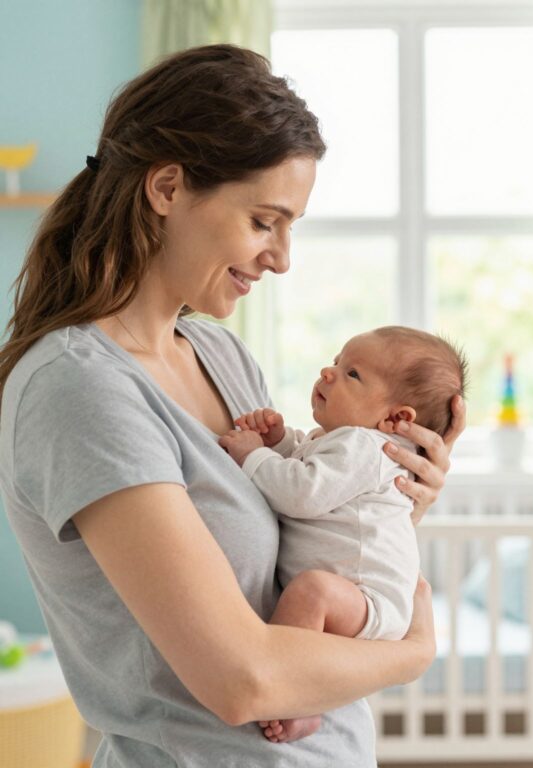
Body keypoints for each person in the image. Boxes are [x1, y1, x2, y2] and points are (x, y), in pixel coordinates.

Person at [0, 45, 464, 767]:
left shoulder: (219, 355)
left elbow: (298, 548)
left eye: (290, 227)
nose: (281, 258)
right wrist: (413, 653)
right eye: (263, 222)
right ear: (167, 188)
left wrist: (395, 495)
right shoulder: (80, 389)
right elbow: (242, 681)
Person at [219, 326, 467, 744]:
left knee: (312, 592)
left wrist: (252, 454)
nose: (328, 372)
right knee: (311, 592)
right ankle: (305, 697)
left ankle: (299, 700)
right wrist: (279, 442)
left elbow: (302, 492)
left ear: (396, 419)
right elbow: (306, 467)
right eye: (336, 361)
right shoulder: (337, 442)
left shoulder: (365, 447)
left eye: (352, 374)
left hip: (367, 597)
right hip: (361, 597)